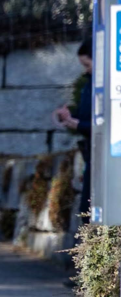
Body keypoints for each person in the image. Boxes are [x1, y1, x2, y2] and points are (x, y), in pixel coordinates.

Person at [54, 37, 93, 217]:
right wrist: (69, 116)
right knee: (86, 210)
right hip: (92, 153)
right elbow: (88, 115)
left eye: (87, 64)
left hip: (101, 152)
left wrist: (78, 124)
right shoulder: (88, 84)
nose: (86, 70)